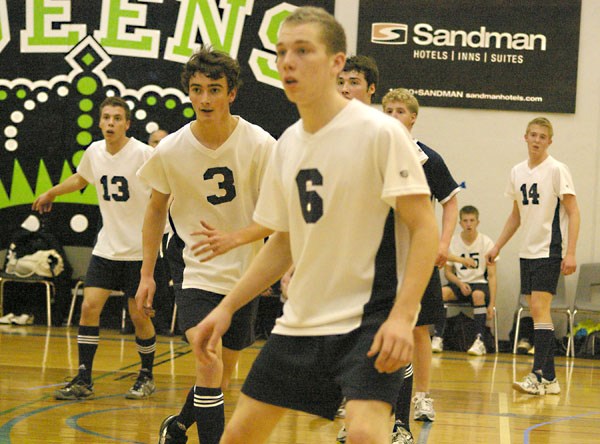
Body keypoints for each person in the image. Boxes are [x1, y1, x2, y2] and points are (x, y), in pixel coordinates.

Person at [193, 7, 438, 444]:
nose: (288, 61)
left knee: (364, 432)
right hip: (301, 321)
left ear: (337, 63)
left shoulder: (379, 133)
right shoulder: (287, 143)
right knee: (238, 437)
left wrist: (403, 316)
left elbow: (424, 227)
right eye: (282, 51)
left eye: (303, 50)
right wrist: (227, 306)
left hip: (369, 319)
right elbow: (283, 241)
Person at [135, 45, 275, 444]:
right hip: (193, 266)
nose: (205, 99)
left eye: (214, 89)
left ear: (231, 93)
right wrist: (148, 274)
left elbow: (280, 213)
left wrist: (244, 241)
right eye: (197, 89)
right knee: (207, 355)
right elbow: (155, 209)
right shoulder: (172, 148)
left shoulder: (261, 144)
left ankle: (178, 426)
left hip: (246, 271)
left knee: (222, 374)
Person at [32, 96, 158, 400]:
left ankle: (146, 376)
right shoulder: (95, 151)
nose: (111, 123)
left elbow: (166, 191)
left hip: (140, 250)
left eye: (117, 118)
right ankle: (84, 379)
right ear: (100, 122)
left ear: (127, 124)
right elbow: (81, 178)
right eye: (106, 117)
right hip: (107, 248)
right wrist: (52, 192)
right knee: (89, 308)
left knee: (138, 314)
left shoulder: (143, 154)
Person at [382, 87, 461, 423]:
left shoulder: (429, 159)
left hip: (418, 256)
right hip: (381, 257)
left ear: (413, 118)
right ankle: (373, 398)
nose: (394, 117)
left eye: (400, 111)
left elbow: (451, 202)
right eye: (388, 111)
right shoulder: (373, 154)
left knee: (419, 330)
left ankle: (422, 397)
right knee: (375, 328)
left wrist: (443, 244)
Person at [486, 117, 580, 395]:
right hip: (527, 251)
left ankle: (539, 375)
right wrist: (498, 246)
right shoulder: (517, 172)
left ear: (549, 141)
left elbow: (574, 211)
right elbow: (516, 215)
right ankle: (550, 379)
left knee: (540, 307)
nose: (537, 140)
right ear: (524, 137)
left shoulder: (557, 170)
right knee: (536, 309)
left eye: (542, 136)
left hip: (549, 249)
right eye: (533, 135)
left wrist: (571, 251)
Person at [434, 205, 497, 356]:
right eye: (465, 221)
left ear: (477, 222)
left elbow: (492, 276)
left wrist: (492, 304)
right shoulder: (453, 242)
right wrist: (460, 283)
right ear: (460, 223)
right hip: (459, 283)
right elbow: (448, 273)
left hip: (479, 284)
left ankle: (479, 340)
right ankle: (437, 337)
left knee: (478, 295)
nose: (468, 224)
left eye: (472, 220)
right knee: (441, 292)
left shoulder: (486, 243)